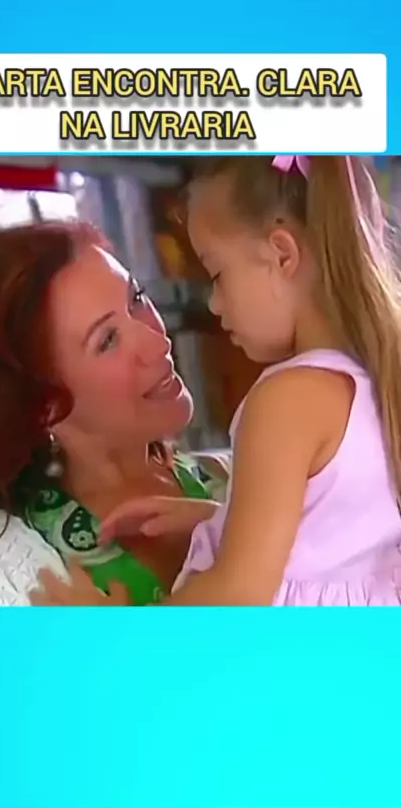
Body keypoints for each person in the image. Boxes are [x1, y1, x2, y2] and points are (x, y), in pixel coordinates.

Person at [31, 155, 401, 607]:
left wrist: (120, 632)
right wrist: (220, 519)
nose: (214, 304)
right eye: (107, 339)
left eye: (217, 275)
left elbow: (239, 595)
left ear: (282, 254)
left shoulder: (286, 400)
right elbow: (339, 531)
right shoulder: (373, 376)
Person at [0, 220, 228, 606]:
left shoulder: (240, 480)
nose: (157, 341)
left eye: (136, 299)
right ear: (44, 404)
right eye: (108, 340)